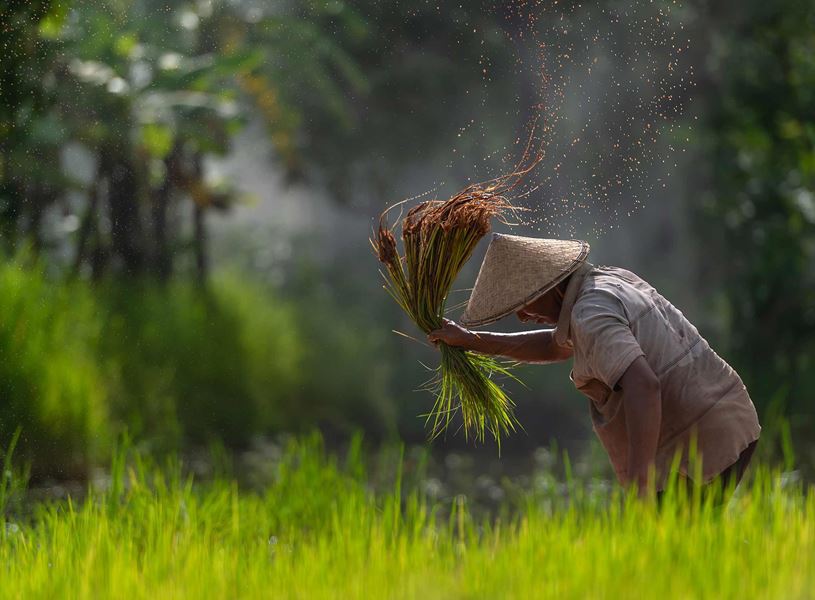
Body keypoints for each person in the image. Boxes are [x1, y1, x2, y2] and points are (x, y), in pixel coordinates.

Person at [428, 233, 761, 500]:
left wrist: (639, 479)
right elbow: (553, 346)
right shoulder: (608, 282)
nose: (522, 315)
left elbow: (643, 386)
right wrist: (471, 340)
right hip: (727, 417)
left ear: (551, 286)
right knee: (692, 555)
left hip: (697, 441)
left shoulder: (590, 314)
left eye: (523, 302)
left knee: (674, 559)